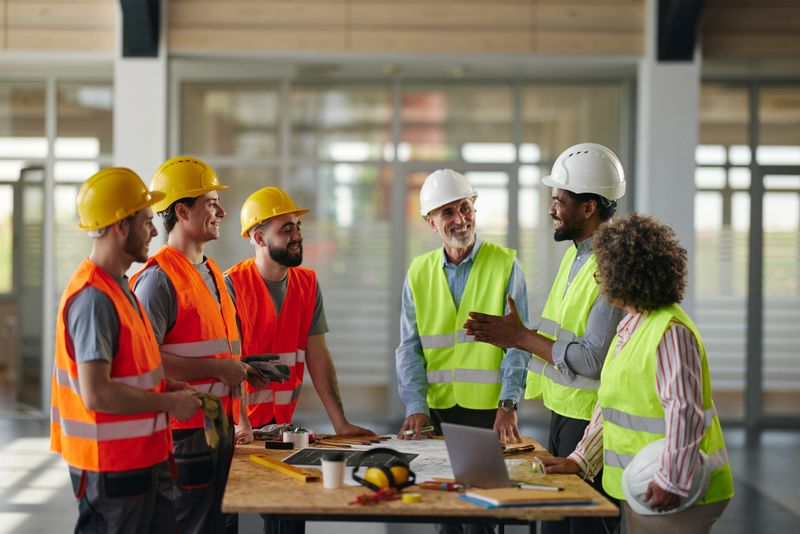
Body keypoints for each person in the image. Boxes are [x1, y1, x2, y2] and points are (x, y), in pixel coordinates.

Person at [465, 143, 627, 534]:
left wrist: (520, 337)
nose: (551, 209)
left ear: (589, 207)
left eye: (559, 200)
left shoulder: (610, 267)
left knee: (582, 527)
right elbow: (557, 339)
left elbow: (592, 360)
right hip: (564, 414)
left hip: (590, 422)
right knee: (554, 522)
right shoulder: (576, 256)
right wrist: (514, 338)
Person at [540, 213, 734, 534]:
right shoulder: (630, 325)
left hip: (681, 489)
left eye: (603, 271)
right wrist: (581, 460)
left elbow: (684, 412)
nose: (598, 279)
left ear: (627, 275)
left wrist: (672, 479)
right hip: (642, 484)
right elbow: (611, 403)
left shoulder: (670, 332)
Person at [50, 168, 201, 533]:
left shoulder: (120, 287)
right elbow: (97, 393)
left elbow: (129, 372)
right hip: (112, 470)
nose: (153, 231)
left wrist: (166, 390)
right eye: (147, 221)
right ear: (120, 226)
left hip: (143, 462)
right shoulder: (93, 298)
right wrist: (169, 405)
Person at [131, 156, 261, 534]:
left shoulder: (214, 273)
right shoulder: (157, 280)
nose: (221, 210)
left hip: (223, 430)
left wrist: (243, 419)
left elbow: (227, 352)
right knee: (194, 527)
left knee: (223, 525)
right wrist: (216, 370)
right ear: (182, 211)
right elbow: (147, 360)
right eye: (210, 202)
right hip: (186, 433)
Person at [225, 186, 374, 441]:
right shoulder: (231, 285)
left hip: (280, 426)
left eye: (298, 226)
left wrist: (341, 424)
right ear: (259, 239)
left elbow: (318, 356)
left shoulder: (308, 284)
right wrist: (242, 424)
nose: (297, 235)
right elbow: (229, 360)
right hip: (236, 427)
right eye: (286, 229)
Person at [396, 169, 529, 444]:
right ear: (431, 222)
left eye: (465, 208)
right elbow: (410, 347)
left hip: (490, 412)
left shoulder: (506, 266)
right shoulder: (418, 272)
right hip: (436, 410)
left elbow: (518, 345)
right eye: (447, 212)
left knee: (485, 484)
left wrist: (508, 404)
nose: (460, 219)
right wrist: (416, 405)